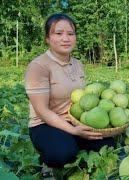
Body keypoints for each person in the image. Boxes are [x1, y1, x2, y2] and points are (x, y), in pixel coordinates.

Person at [24, 13, 116, 171]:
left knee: (108, 144)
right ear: (47, 38)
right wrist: (74, 131)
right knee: (63, 154)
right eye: (58, 33)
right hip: (45, 124)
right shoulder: (38, 66)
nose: (65, 38)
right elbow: (42, 111)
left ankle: (74, 146)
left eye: (70, 34)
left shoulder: (78, 64)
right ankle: (48, 164)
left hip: (75, 120)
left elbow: (83, 99)